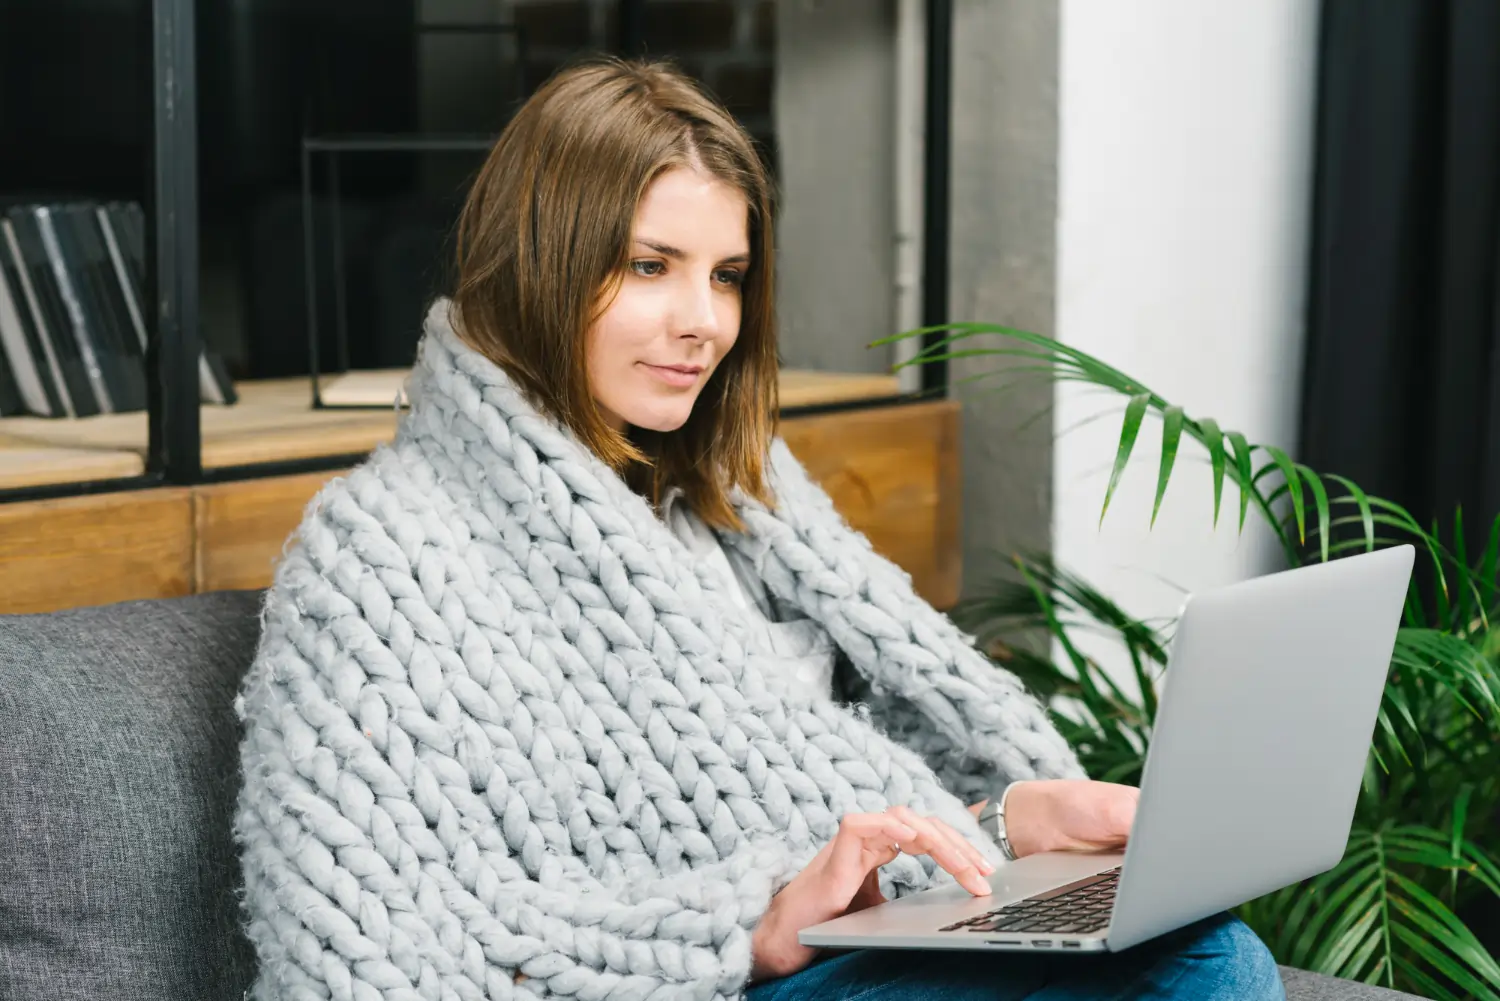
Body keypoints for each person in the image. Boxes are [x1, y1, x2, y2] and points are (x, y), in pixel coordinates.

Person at [233, 58, 1283, 1000]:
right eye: (651, 265)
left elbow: (859, 795)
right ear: (538, 260)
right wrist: (752, 927)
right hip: (727, 979)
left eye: (727, 275)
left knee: (1205, 946)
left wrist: (1010, 824)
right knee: (1206, 968)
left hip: (877, 939)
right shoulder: (381, 557)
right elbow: (364, 956)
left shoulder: (743, 495)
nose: (705, 320)